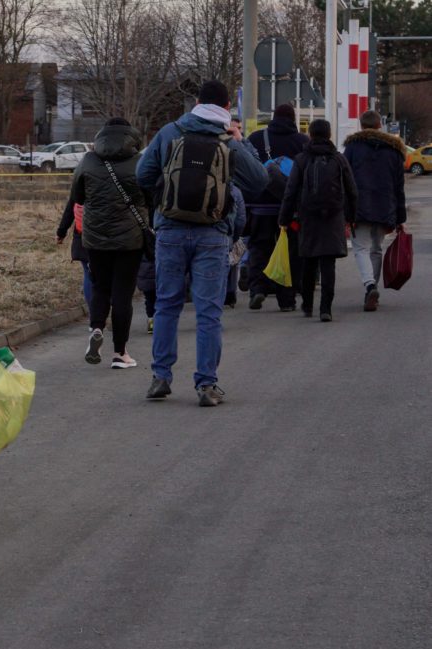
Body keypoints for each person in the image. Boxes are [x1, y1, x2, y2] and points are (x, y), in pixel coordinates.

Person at [136, 80, 268, 407]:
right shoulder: (227, 139)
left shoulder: (170, 131)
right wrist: (241, 142)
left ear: (196, 101)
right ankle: (206, 385)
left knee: (167, 303)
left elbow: (141, 174)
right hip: (213, 233)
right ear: (226, 108)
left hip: (169, 231)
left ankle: (161, 377)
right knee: (209, 311)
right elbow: (260, 181)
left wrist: (165, 193)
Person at [63, 117, 150, 369]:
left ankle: (96, 327)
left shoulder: (89, 160)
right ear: (131, 136)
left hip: (95, 238)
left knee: (100, 286)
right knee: (122, 294)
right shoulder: (139, 162)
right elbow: (151, 196)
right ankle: (120, 353)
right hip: (130, 239)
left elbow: (77, 196)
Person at [278, 119, 358, 322]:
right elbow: (352, 191)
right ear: (330, 135)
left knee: (309, 262)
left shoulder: (302, 159)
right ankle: (325, 309)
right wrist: (351, 217)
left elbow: (291, 191)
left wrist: (284, 218)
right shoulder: (339, 159)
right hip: (333, 217)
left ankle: (307, 305)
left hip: (308, 216)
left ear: (310, 135)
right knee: (328, 264)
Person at [245, 104, 310, 312]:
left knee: (258, 248)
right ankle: (287, 299)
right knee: (289, 253)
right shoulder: (302, 142)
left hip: (260, 206)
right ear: (293, 119)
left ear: (273, 117)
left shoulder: (255, 139)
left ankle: (258, 290)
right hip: (290, 209)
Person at [343, 109, 407, 312]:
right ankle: (372, 290)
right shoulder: (395, 150)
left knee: (360, 248)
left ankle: (370, 285)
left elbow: (345, 179)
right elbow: (399, 186)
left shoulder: (352, 148)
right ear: (380, 125)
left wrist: (345, 210)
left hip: (359, 206)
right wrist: (400, 216)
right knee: (376, 248)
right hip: (385, 205)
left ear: (361, 125)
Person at [56, 201, 94, 315]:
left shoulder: (81, 184)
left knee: (88, 275)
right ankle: (108, 309)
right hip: (108, 235)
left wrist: (61, 232)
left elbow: (70, 207)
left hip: (83, 236)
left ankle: (95, 317)